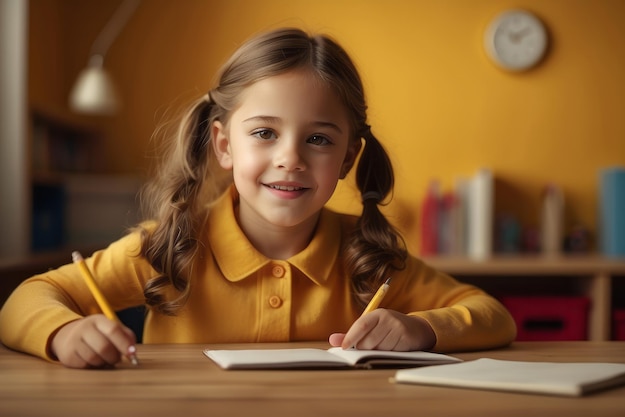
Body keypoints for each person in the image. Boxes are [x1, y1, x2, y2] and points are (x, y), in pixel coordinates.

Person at [0, 28, 516, 369]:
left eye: (318, 139)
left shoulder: (367, 256)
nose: (290, 159)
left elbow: (491, 314)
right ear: (224, 144)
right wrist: (63, 335)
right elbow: (24, 300)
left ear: (347, 158)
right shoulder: (169, 247)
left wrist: (423, 328)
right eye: (265, 133)